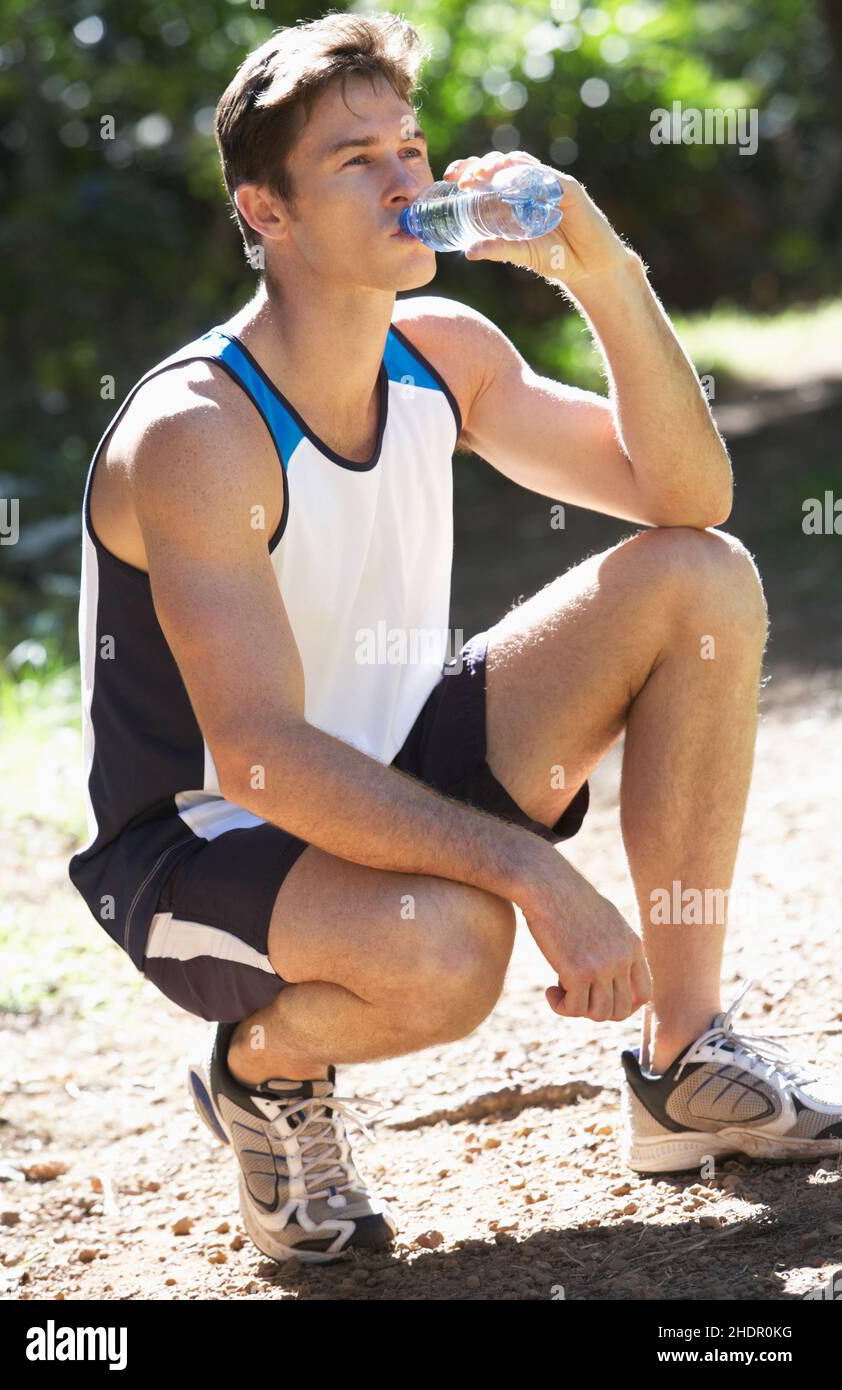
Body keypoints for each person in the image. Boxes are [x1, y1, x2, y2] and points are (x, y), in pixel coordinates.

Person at [69, 11, 842, 1267]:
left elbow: (689, 497)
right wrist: (534, 873)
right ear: (265, 213)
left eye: (410, 147)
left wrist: (598, 268)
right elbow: (258, 758)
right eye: (355, 159)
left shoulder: (443, 354)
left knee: (699, 579)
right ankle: (261, 1071)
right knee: (450, 947)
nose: (406, 180)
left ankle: (682, 1057)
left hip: (384, 757)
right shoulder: (197, 432)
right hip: (203, 838)